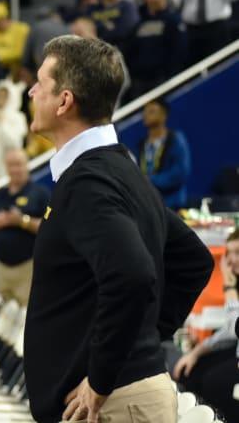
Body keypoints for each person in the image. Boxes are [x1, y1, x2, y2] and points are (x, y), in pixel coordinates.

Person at [23, 35, 214, 423]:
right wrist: (140, 339)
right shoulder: (119, 169)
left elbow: (133, 274)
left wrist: (105, 373)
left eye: (40, 82)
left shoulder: (89, 181)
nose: (30, 90)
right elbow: (193, 260)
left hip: (112, 405)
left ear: (64, 101)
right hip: (124, 397)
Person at [174, 228, 239, 422]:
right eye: (228, 253)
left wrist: (229, 288)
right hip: (235, 350)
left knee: (213, 382)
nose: (230, 260)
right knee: (189, 374)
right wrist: (196, 353)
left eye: (238, 253)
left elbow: (233, 328)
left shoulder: (232, 286)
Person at [0, 148, 49, 305]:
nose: (15, 169)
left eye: (19, 164)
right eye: (11, 165)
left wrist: (22, 221)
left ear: (27, 165)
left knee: (26, 321)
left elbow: (50, 228)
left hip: (28, 267)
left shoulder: (40, 193)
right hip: (1, 268)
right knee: (4, 322)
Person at [136, 98, 191, 209]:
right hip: (148, 204)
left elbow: (180, 173)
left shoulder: (175, 139)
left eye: (151, 111)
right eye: (145, 111)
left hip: (171, 205)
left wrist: (149, 180)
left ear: (163, 115)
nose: (145, 115)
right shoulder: (142, 143)